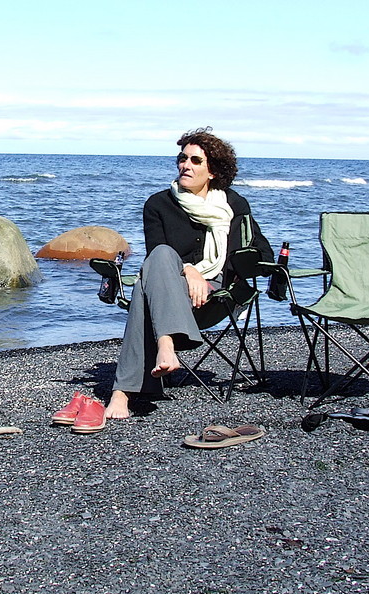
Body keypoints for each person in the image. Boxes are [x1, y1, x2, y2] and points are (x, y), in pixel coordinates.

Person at [103, 128, 274, 421]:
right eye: (182, 158)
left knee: (143, 289)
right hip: (172, 284)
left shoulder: (233, 205)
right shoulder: (158, 204)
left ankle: (123, 393)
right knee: (159, 258)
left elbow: (263, 254)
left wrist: (222, 276)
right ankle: (166, 346)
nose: (186, 165)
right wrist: (189, 270)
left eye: (196, 160)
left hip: (217, 292)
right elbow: (157, 253)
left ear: (213, 172)